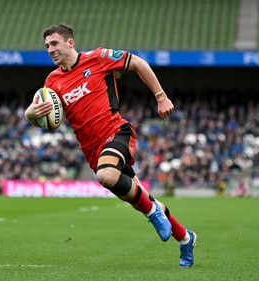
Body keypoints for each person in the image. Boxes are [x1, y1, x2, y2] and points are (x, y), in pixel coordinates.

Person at [24, 23, 197, 267]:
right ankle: (186, 238)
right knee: (142, 199)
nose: (50, 49)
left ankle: (153, 213)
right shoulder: (52, 82)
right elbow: (50, 122)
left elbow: (138, 62)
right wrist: (30, 115)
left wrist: (161, 96)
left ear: (70, 42)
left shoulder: (98, 58)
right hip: (92, 150)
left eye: (54, 43)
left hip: (116, 133)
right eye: (47, 46)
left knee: (106, 177)